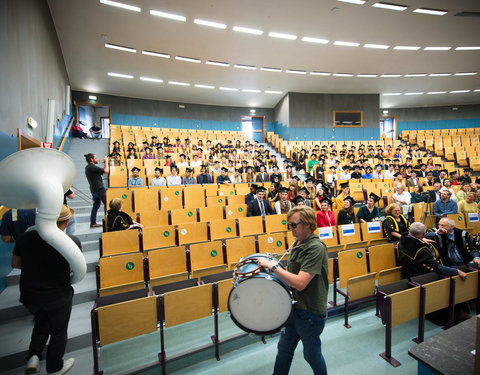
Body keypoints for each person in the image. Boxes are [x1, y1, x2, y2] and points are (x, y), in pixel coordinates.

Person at [256, 206, 328, 375]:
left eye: (294, 225)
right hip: (294, 309)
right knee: (284, 351)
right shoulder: (298, 243)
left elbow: (301, 283)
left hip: (310, 313)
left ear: (308, 224)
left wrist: (273, 267)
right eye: (289, 224)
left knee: (312, 355)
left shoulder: (316, 248)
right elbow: (290, 274)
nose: (290, 228)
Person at [11, 205, 79, 375]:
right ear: (67, 221)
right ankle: (55, 366)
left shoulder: (25, 238)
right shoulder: (71, 241)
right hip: (58, 294)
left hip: (30, 293)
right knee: (58, 330)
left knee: (42, 321)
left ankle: (34, 355)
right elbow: (77, 268)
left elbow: (15, 264)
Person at [398, 222, 467, 279]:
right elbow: (436, 267)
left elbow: (415, 236)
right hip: (418, 277)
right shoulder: (421, 250)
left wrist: (435, 233)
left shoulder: (404, 238)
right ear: (423, 234)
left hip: (406, 273)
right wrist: (457, 272)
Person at [85, 153, 109, 228]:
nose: (97, 159)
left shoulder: (88, 167)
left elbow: (103, 173)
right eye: (95, 158)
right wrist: (106, 161)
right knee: (107, 205)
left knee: (96, 206)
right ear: (91, 159)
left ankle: (93, 223)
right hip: (99, 189)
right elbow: (106, 171)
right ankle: (110, 222)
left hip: (94, 189)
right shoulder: (92, 167)